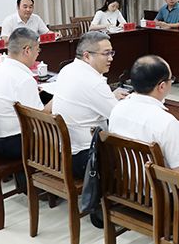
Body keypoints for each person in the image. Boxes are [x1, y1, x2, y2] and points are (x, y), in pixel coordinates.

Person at [108, 55, 179, 177]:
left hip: (124, 183)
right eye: (171, 79)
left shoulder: (117, 109)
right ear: (162, 86)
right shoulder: (166, 121)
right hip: (156, 188)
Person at [52, 31, 129, 178]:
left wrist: (110, 96)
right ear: (87, 56)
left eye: (111, 53)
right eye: (106, 54)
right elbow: (119, 117)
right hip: (87, 158)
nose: (111, 58)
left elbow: (86, 98)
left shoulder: (67, 69)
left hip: (64, 153)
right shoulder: (93, 83)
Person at [0, 28, 52, 160]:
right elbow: (40, 118)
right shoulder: (24, 79)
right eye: (37, 49)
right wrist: (59, 98)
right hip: (13, 144)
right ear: (27, 50)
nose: (38, 54)